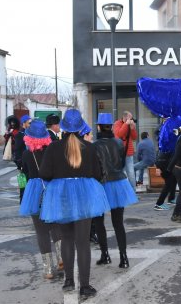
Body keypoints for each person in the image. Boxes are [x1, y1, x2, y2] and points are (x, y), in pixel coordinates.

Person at [39, 109, 110, 300]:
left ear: (63, 126)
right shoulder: (90, 147)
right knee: (83, 242)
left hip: (61, 197)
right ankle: (85, 287)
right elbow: (97, 174)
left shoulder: (53, 148)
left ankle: (69, 281)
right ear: (80, 127)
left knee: (67, 239)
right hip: (85, 196)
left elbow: (44, 173)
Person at [18, 120, 63, 279]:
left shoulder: (26, 154)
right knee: (56, 225)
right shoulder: (53, 150)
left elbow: (25, 174)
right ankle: (61, 259)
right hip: (51, 190)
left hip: (34, 193)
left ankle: (48, 269)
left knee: (41, 231)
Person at [93, 113, 138, 269]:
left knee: (99, 222)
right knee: (118, 223)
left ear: (98, 126)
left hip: (102, 184)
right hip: (119, 183)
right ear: (111, 126)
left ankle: (105, 255)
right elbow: (122, 163)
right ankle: (123, 258)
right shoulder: (120, 143)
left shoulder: (95, 145)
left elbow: (96, 168)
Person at [153, 117, 181, 211]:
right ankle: (159, 204)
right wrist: (157, 166)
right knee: (169, 182)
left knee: (173, 179)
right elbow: (161, 151)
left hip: (166, 161)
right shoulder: (164, 135)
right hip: (163, 162)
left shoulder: (169, 134)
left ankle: (171, 198)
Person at [113, 111, 138, 189]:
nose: (132, 120)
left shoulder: (129, 125)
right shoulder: (117, 124)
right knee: (120, 173)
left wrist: (133, 128)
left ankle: (133, 192)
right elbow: (119, 134)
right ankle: (122, 191)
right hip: (119, 153)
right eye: (130, 118)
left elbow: (134, 138)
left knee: (131, 173)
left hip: (129, 152)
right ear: (125, 117)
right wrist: (126, 124)